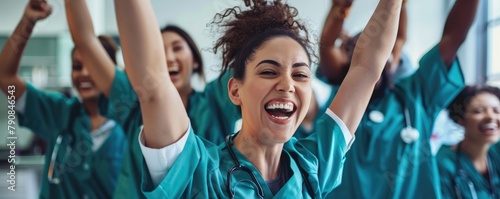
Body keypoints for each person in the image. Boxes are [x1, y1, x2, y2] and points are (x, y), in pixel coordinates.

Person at [114, 0, 401, 197]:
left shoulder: (312, 165)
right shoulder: (195, 169)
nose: (287, 85)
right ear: (235, 90)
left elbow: (365, 69)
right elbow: (153, 86)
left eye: (300, 75)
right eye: (268, 71)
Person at [65, 0, 240, 198]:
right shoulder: (133, 101)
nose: (167, 57)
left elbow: (260, 65)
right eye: (159, 50)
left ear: (196, 62)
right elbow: (85, 40)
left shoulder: (216, 99)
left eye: (177, 48)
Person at [321, 0, 478, 198]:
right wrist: (339, 9)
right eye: (357, 48)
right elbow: (326, 47)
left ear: (392, 56)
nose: (370, 57)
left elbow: (454, 37)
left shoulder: (417, 93)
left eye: (379, 48)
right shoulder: (341, 98)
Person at [0, 1, 127, 198]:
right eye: (76, 66)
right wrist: (28, 22)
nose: (84, 73)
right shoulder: (59, 112)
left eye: (92, 67)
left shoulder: (131, 121)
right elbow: (6, 77)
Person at [437, 85, 500, 199]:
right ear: (460, 119)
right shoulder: (442, 165)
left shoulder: (496, 153)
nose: (491, 117)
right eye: (478, 111)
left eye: (497, 111)